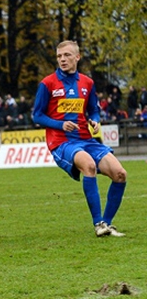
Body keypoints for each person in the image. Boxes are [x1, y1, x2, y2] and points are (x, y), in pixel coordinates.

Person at [32, 40, 127, 237]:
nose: (62, 59)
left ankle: (106, 225)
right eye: (59, 56)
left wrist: (94, 120)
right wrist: (60, 124)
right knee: (89, 165)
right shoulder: (48, 83)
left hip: (87, 139)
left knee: (120, 174)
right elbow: (37, 115)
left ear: (77, 57)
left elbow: (93, 109)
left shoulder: (87, 82)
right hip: (62, 141)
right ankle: (98, 223)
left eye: (66, 55)